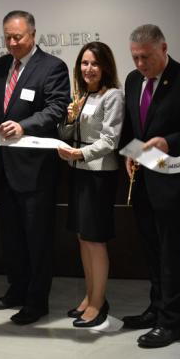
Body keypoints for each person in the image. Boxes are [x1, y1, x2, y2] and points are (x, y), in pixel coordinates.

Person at [120, 24, 180, 348]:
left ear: (163, 48)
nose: (140, 64)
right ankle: (156, 309)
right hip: (143, 181)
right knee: (151, 250)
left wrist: (169, 142)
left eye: (146, 57)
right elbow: (135, 126)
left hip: (176, 182)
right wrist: (130, 153)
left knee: (172, 253)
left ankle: (172, 323)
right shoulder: (133, 81)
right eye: (135, 57)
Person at [0, 10, 70, 325]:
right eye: (7, 37)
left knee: (37, 239)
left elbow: (57, 108)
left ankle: (37, 301)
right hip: (3, 167)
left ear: (33, 34)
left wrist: (24, 126)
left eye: (18, 36)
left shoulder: (53, 67)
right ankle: (16, 290)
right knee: (12, 237)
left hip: (35, 170)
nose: (12, 43)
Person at [57, 42, 124, 328]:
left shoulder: (114, 96)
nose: (89, 69)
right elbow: (66, 132)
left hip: (99, 174)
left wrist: (79, 153)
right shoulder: (82, 96)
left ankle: (99, 302)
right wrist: (69, 119)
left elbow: (111, 141)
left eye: (94, 63)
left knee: (95, 240)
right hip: (79, 171)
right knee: (83, 238)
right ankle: (90, 296)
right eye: (84, 63)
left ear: (105, 66)